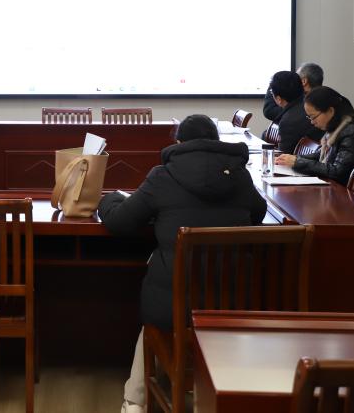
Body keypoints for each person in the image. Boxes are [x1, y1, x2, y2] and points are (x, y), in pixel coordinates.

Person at [97, 114, 267, 413]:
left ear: (178, 143)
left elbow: (121, 221)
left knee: (154, 317)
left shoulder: (163, 175)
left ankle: (135, 401)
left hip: (173, 305)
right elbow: (258, 213)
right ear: (216, 141)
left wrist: (109, 199)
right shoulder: (239, 176)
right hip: (232, 299)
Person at [274, 85, 354, 184]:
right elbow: (321, 155)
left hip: (348, 191)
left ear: (330, 111)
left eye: (313, 117)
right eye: (309, 117)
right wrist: (293, 159)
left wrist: (297, 162)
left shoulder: (351, 132)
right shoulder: (336, 126)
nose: (312, 122)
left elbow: (337, 171)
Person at [263, 70, 323, 153]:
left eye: (271, 92)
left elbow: (283, 157)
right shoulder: (309, 103)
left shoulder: (288, 121)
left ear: (279, 99)